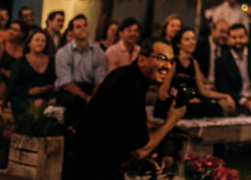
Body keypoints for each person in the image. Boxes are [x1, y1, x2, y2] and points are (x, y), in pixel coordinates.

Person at [67, 37, 186, 180]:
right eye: (161, 58)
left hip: (93, 165)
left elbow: (125, 134)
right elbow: (141, 149)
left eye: (171, 61)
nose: (167, 66)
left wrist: (138, 161)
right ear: (142, 60)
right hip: (90, 170)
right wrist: (172, 119)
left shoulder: (129, 77)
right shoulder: (128, 85)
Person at [155, 27, 234, 117]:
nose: (192, 42)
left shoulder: (194, 62)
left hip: (188, 103)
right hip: (171, 104)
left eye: (193, 38)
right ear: (178, 44)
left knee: (216, 107)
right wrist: (185, 100)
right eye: (187, 39)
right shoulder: (173, 63)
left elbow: (203, 91)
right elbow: (163, 94)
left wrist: (225, 96)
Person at [55, 14, 107, 128]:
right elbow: (66, 83)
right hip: (69, 90)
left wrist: (93, 97)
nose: (83, 29)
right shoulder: (63, 53)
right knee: (76, 102)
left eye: (85, 25)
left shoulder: (98, 53)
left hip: (90, 87)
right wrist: (86, 98)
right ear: (72, 32)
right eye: (78, 27)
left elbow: (99, 81)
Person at [9, 27, 56, 111]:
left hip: (47, 97)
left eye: (43, 41)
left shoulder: (52, 61)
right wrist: (28, 91)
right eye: (37, 40)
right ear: (29, 43)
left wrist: (48, 90)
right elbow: (13, 85)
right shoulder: (21, 62)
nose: (40, 43)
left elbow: (56, 82)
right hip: (24, 97)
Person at [194, 19, 228, 89]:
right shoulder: (199, 45)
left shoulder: (226, 49)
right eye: (222, 31)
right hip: (200, 86)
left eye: (227, 33)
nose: (225, 35)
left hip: (219, 88)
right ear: (212, 30)